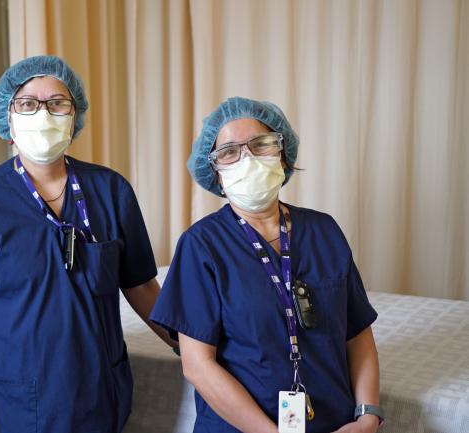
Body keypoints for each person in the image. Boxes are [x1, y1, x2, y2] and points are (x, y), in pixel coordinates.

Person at [0, 55, 175, 433]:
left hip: (101, 392)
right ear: (8, 119)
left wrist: (188, 345)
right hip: (21, 403)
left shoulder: (111, 190)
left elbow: (140, 285)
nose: (43, 114)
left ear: (75, 116)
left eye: (57, 103)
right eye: (27, 104)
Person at [149, 97, 382, 433]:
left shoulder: (324, 230)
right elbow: (198, 366)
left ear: (282, 153)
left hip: (334, 423)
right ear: (214, 170)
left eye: (261, 144)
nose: (248, 159)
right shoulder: (201, 246)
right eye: (229, 151)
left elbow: (357, 334)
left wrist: (367, 416)